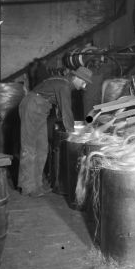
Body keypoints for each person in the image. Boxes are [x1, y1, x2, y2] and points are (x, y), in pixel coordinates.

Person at [18, 66, 93, 197]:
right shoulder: (64, 85)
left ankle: (37, 185)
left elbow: (61, 109)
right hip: (32, 105)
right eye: (83, 82)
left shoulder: (64, 84)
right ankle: (27, 187)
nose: (83, 86)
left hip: (41, 109)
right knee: (29, 147)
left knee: (42, 148)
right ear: (76, 78)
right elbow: (66, 111)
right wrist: (73, 134)